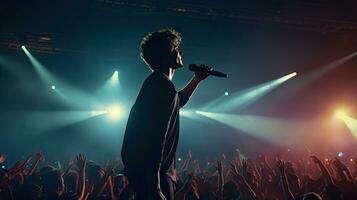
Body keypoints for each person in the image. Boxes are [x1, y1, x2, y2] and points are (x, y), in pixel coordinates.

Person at [121, 29, 211, 200]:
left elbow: (179, 101)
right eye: (176, 48)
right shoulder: (162, 86)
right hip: (156, 176)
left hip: (151, 174)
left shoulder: (159, 84)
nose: (180, 52)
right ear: (167, 55)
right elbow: (156, 139)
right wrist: (155, 187)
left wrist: (197, 79)